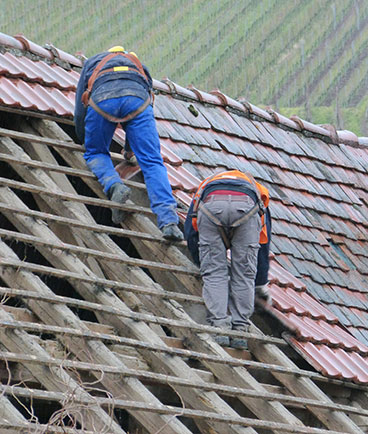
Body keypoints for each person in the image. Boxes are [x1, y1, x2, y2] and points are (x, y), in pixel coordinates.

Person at [74, 46, 183, 241]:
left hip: (102, 99)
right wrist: (130, 151)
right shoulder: (138, 66)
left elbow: (80, 110)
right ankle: (169, 222)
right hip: (137, 101)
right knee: (151, 162)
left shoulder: (93, 63)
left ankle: (114, 185)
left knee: (96, 153)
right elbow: (145, 104)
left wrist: (85, 140)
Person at [184, 170, 272, 349]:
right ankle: (240, 330)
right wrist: (261, 281)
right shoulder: (258, 190)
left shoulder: (204, 186)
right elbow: (263, 240)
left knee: (215, 274)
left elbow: (191, 231)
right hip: (248, 207)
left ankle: (219, 327)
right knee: (244, 275)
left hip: (211, 206)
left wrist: (202, 263)